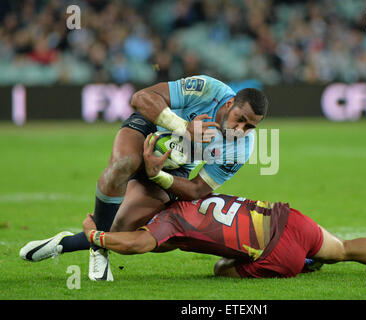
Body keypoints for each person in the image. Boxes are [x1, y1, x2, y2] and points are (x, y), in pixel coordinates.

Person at [20, 75, 268, 281]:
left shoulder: (242, 149)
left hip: (173, 167)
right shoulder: (208, 89)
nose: (241, 129)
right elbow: (140, 98)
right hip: (149, 127)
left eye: (250, 127)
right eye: (240, 119)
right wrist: (183, 128)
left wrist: (157, 174)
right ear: (229, 103)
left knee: (120, 230)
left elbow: (196, 190)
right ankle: (98, 252)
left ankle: (66, 242)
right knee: (123, 164)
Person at [21, 192, 366, 278]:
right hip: (289, 220)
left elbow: (132, 242)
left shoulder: (166, 223)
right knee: (344, 250)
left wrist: (94, 234)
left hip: (277, 259)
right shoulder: (198, 192)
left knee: (222, 270)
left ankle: (304, 264)